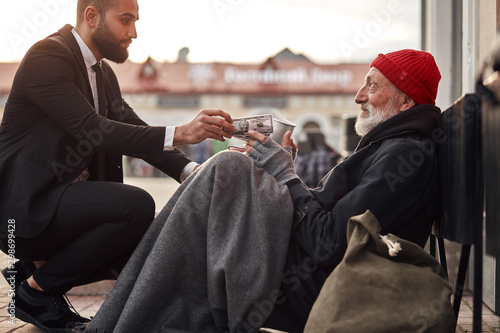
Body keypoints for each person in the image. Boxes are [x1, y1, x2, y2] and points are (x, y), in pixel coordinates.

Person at [85, 48, 441, 333]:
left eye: (373, 86)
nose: (359, 96)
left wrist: (285, 176)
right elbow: (327, 219)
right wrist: (284, 169)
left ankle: (126, 318)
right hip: (304, 266)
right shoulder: (390, 146)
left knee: (229, 168)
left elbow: (329, 243)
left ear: (407, 102)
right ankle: (134, 317)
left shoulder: (404, 155)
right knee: (233, 171)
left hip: (318, 285)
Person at [0, 0, 235, 331]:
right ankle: (34, 292)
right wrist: (182, 132)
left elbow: (133, 128)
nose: (134, 32)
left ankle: (34, 275)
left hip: (61, 207)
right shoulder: (47, 57)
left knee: (146, 250)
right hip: (25, 210)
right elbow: (93, 130)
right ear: (92, 16)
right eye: (125, 20)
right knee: (135, 206)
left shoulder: (102, 72)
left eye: (136, 21)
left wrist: (198, 174)